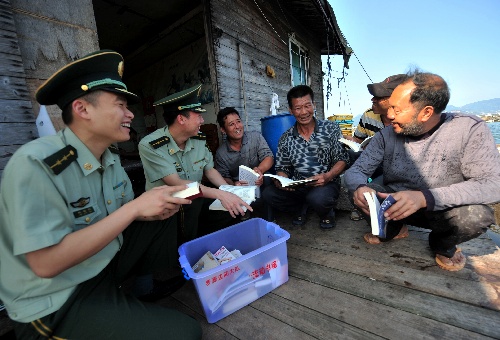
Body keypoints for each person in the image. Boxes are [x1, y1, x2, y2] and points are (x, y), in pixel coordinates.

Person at [0, 50, 201, 339]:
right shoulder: (37, 163)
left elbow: (122, 215)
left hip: (101, 266)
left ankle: (140, 291)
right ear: (82, 109)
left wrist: (151, 208)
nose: (130, 113)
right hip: (56, 298)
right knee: (186, 333)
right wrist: (135, 209)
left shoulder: (108, 157)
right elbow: (45, 264)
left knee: (166, 210)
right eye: (120, 104)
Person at [344, 70, 500, 272]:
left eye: (397, 110)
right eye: (390, 107)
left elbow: (492, 185)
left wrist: (424, 198)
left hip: (441, 209)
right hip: (395, 207)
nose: (389, 116)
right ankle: (393, 229)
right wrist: (360, 187)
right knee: (357, 191)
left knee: (478, 216)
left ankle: (441, 244)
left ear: (426, 112)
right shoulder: (386, 134)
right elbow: (356, 171)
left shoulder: (469, 129)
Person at [138, 85, 252, 241]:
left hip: (195, 201)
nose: (202, 120)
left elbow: (209, 170)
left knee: (232, 210)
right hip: (167, 209)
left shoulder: (198, 139)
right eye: (198, 115)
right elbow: (177, 184)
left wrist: (230, 190)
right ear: (181, 119)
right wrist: (221, 193)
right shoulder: (151, 145)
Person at [262, 85, 350, 229]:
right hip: (299, 186)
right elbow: (282, 167)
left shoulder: (331, 128)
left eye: (307, 106)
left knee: (319, 198)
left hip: (325, 183)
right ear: (291, 111)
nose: (303, 112)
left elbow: (342, 159)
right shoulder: (286, 138)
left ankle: (327, 212)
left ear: (314, 105)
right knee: (269, 194)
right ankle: (300, 209)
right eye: (297, 108)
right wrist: (281, 180)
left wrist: (328, 176)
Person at [344, 74, 406, 221]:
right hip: (374, 163)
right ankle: (362, 204)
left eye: (378, 97)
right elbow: (358, 140)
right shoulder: (368, 116)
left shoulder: (407, 122)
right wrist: (345, 139)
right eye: (373, 96)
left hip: (398, 169)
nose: (373, 100)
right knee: (352, 156)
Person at [215, 107, 274, 187]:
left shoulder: (255, 137)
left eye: (238, 121)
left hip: (260, 180)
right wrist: (234, 185)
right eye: (231, 124)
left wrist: (259, 170)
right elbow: (224, 177)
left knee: (268, 178)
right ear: (223, 130)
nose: (237, 126)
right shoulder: (221, 153)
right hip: (240, 187)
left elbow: (268, 157)